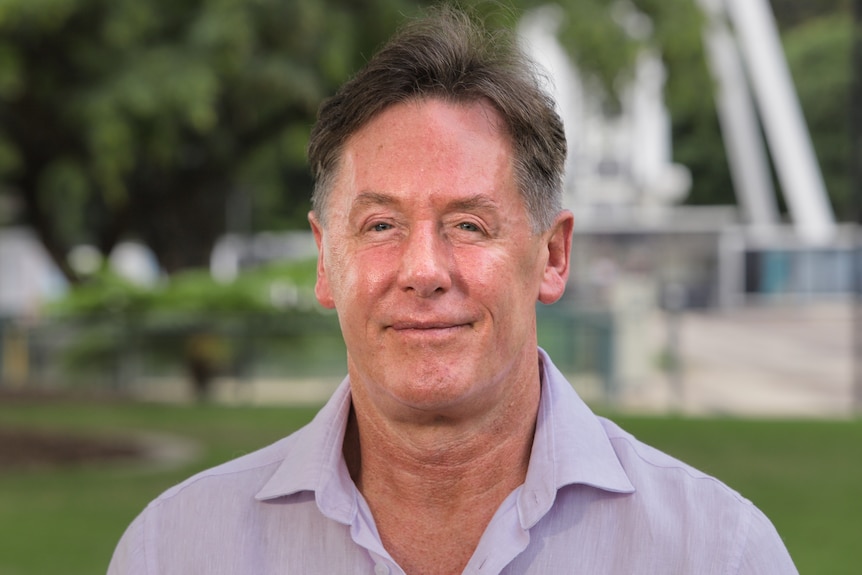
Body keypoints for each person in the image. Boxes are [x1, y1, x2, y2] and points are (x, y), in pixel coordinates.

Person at [108, 7, 798, 574]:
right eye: (381, 224)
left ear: (553, 255)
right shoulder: (172, 550)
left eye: (468, 224)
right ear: (325, 260)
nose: (423, 268)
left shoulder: (718, 552)